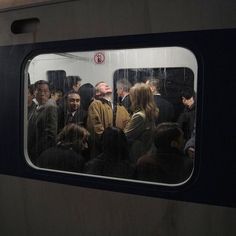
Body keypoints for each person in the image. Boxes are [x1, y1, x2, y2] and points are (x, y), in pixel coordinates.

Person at [87, 81, 130, 158]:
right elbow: (96, 126)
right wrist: (107, 142)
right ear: (97, 93)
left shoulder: (120, 106)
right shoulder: (96, 104)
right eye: (102, 85)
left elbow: (128, 123)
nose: (106, 85)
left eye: (107, 84)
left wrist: (121, 140)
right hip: (102, 150)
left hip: (119, 148)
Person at [124, 83, 158, 163]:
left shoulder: (139, 116)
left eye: (132, 96)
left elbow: (125, 135)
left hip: (137, 153)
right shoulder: (149, 112)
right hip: (147, 150)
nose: (130, 98)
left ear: (137, 98)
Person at [28, 80, 58, 164]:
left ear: (49, 93)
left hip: (40, 154)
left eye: (45, 91)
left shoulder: (50, 107)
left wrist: (34, 152)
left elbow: (50, 135)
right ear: (34, 93)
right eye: (39, 90)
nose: (42, 94)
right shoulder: (37, 106)